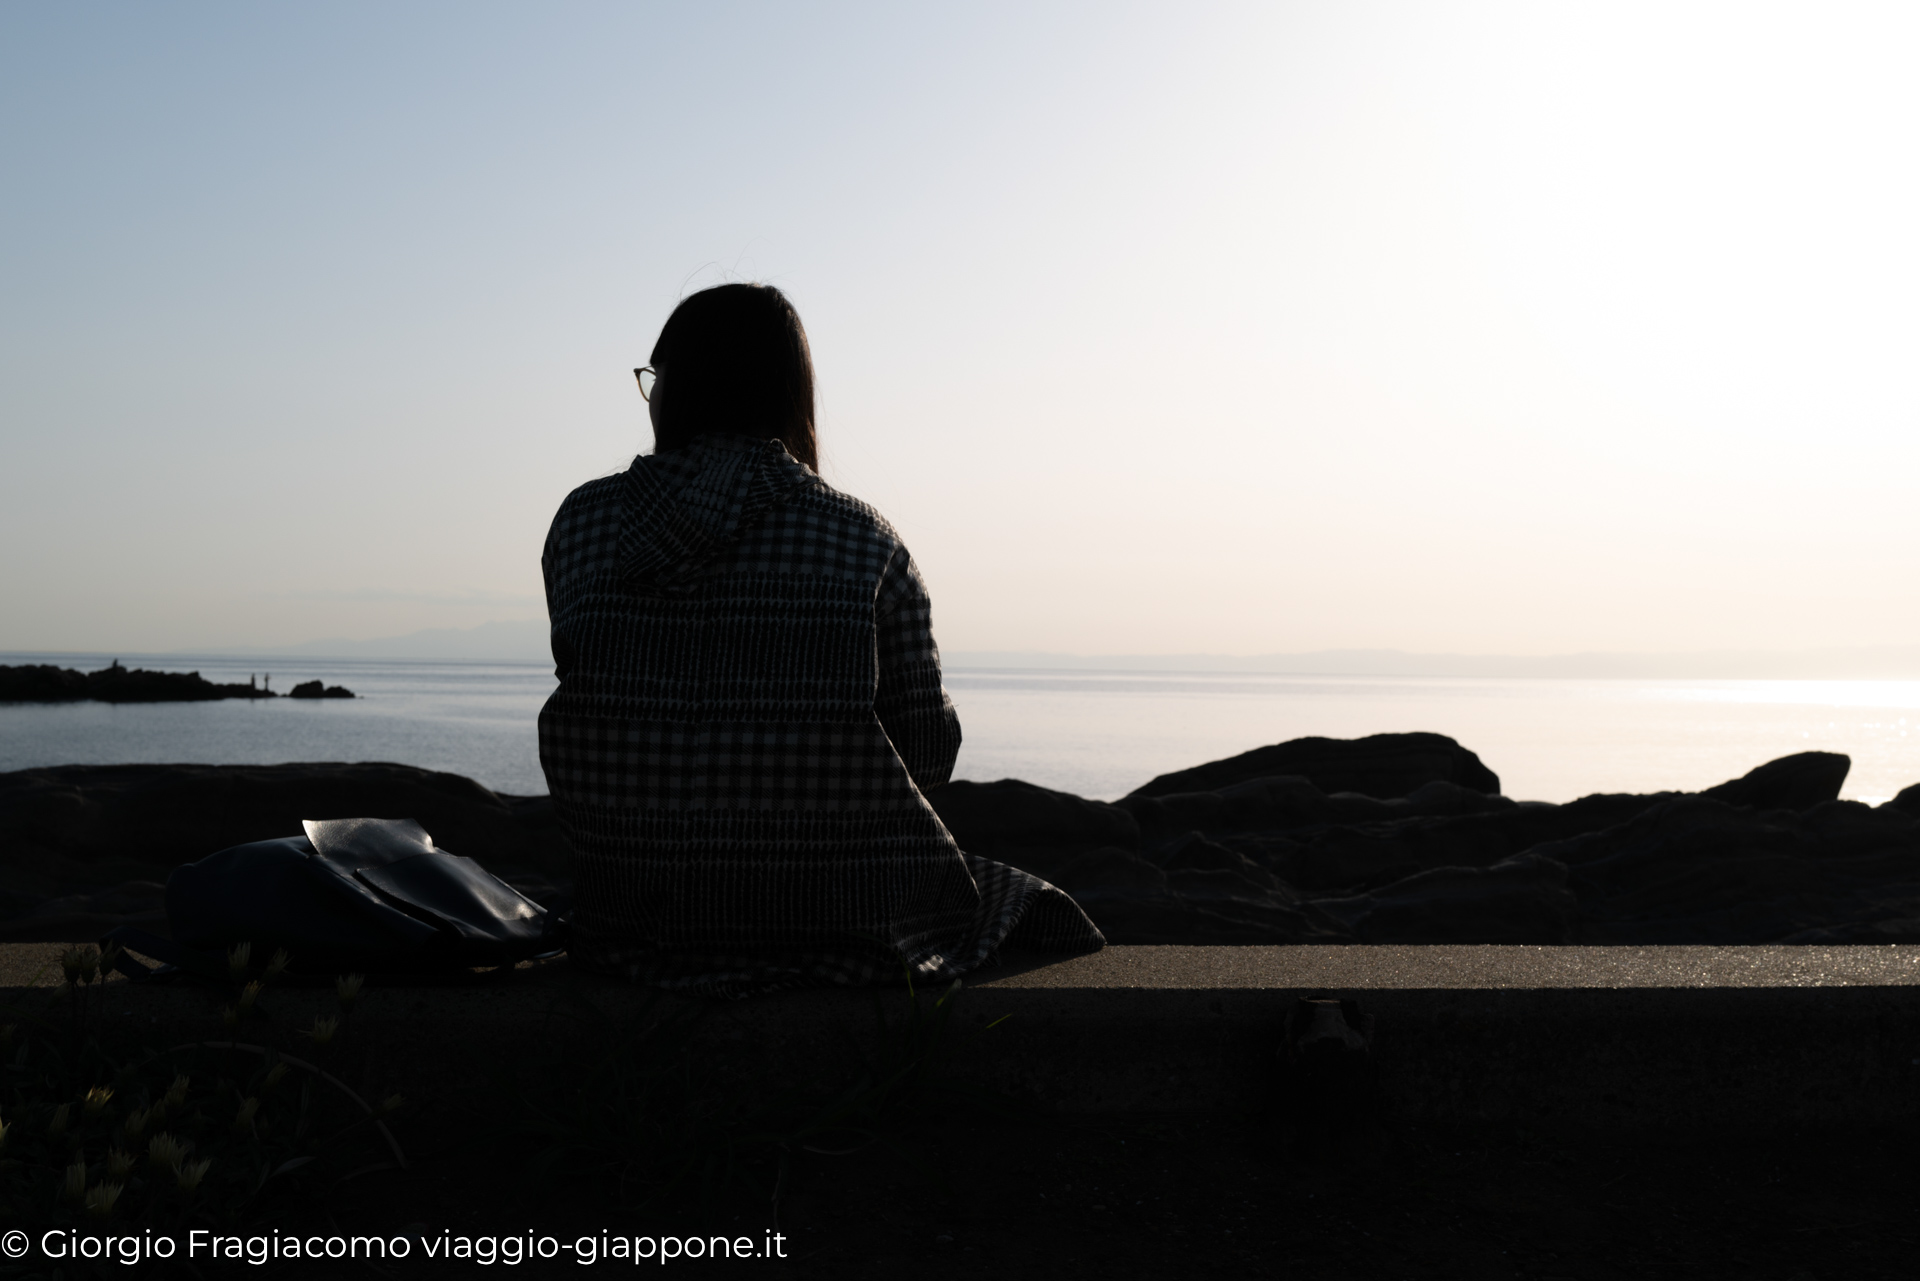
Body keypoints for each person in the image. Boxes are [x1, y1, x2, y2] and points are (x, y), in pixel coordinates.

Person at [538, 283, 1102, 996]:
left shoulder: (582, 525)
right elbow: (927, 749)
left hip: (628, 924)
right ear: (789, 395)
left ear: (674, 391)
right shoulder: (861, 538)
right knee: (1023, 902)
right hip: (841, 928)